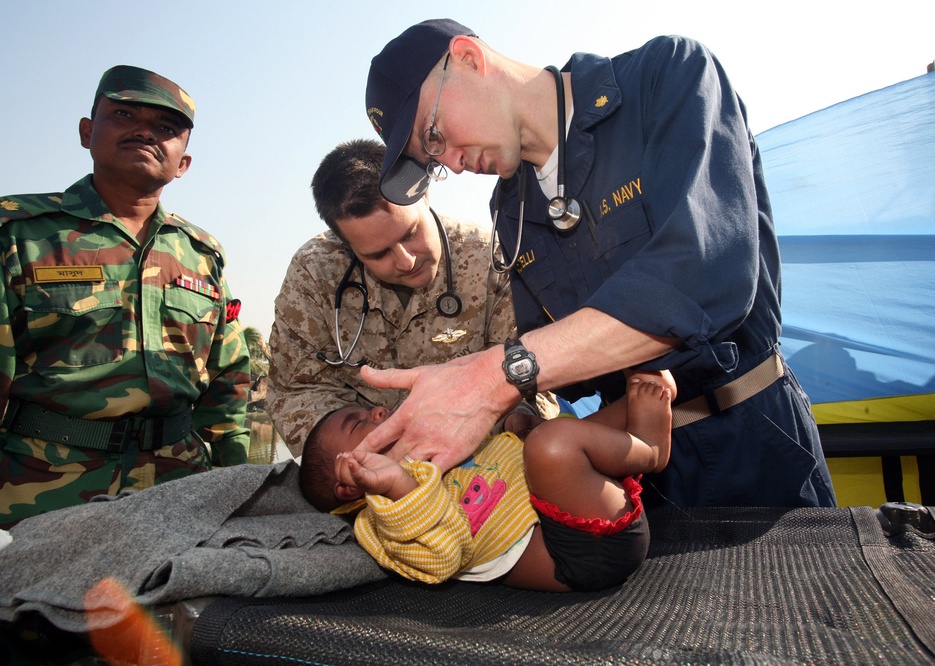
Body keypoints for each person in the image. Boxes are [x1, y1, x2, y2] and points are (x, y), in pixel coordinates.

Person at [358, 19, 836, 508]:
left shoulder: (665, 77)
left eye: (434, 135)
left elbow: (704, 277)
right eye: (435, 162)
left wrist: (492, 377)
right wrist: (505, 405)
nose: (454, 164)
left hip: (753, 440)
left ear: (467, 58)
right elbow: (566, 358)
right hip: (631, 469)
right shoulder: (510, 206)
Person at [0, 66, 250, 529]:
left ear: (183, 163)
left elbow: (227, 383)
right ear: (87, 132)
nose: (144, 132)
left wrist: (235, 490)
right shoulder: (18, 233)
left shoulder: (201, 254)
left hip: (179, 493)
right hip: (41, 492)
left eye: (166, 128)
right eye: (123, 114)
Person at [266, 139, 556, 458]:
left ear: (424, 193)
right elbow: (294, 393)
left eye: (409, 234)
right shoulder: (314, 272)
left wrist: (511, 425)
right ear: (346, 244)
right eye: (377, 254)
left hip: (478, 466)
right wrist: (363, 455)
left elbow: (532, 380)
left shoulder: (492, 260)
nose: (406, 260)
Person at [300, 369, 674, 591]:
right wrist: (396, 486)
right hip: (585, 554)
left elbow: (503, 468)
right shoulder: (382, 521)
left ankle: (642, 409)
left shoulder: (432, 455)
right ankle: (651, 450)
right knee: (552, 445)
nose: (377, 410)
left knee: (550, 434)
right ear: (348, 485)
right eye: (357, 424)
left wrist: (516, 430)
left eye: (368, 408)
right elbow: (444, 556)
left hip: (564, 507)